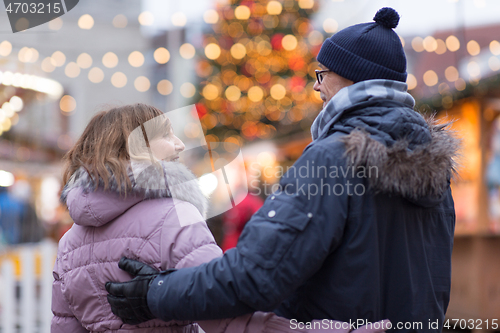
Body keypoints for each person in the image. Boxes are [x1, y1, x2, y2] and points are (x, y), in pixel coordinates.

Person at [106, 7, 459, 332]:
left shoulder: (332, 159)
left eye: (322, 74)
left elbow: (256, 275)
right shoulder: (435, 169)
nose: (316, 85)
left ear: (353, 78)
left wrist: (155, 292)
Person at [51, 103, 385, 333]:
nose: (181, 145)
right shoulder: (173, 217)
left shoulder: (69, 242)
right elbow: (231, 320)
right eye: (167, 135)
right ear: (137, 148)